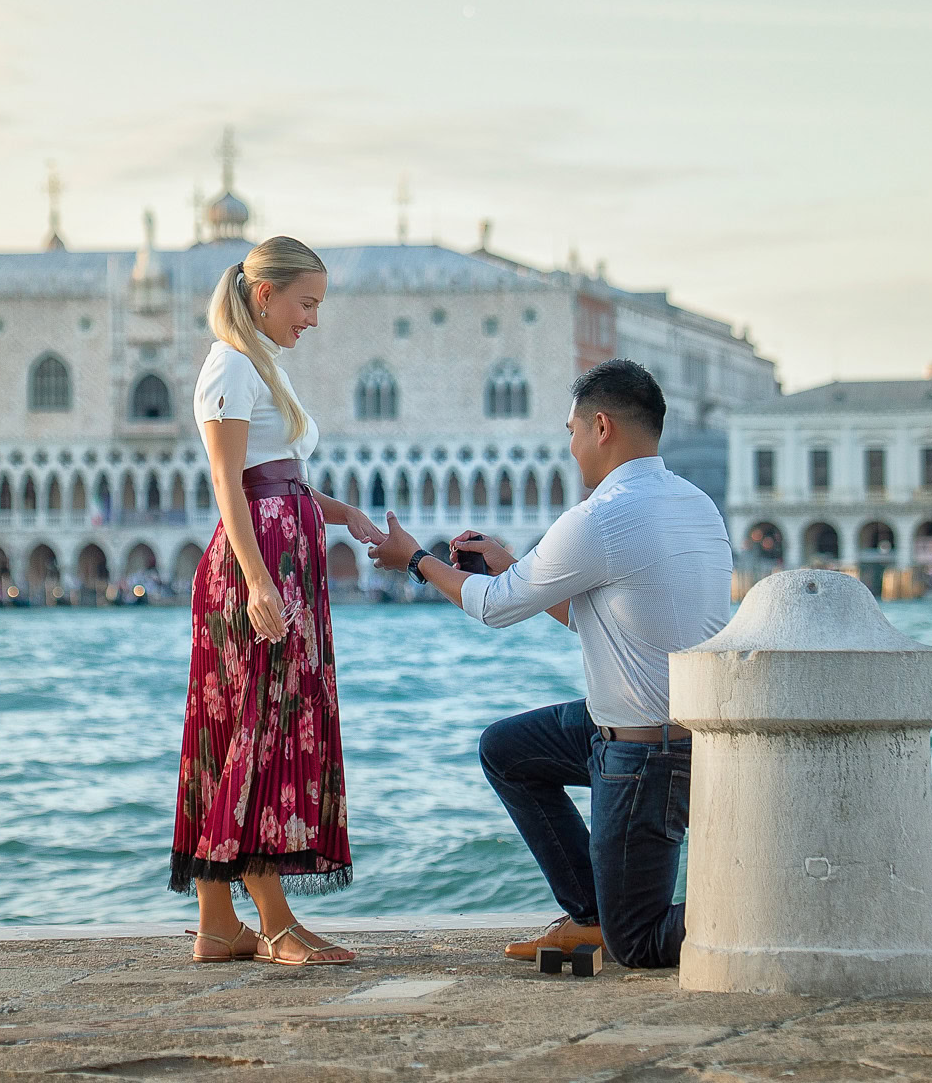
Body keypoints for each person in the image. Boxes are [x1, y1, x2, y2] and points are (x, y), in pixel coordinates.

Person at [366, 358, 731, 969]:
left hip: (644, 755)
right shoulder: (697, 506)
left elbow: (491, 608)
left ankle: (753, 909)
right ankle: (590, 916)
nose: (570, 446)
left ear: (602, 428)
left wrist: (416, 560)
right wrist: (515, 566)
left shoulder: (598, 518)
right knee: (507, 750)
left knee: (637, 945)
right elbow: (600, 617)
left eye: (572, 430)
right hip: (677, 733)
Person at [171, 236, 386, 968]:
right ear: (265, 295)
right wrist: (260, 581)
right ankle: (274, 925)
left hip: (280, 556)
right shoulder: (230, 364)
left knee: (232, 732)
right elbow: (230, 485)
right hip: (257, 569)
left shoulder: (259, 364)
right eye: (307, 303)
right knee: (258, 732)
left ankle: (218, 925)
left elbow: (280, 478)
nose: (313, 319)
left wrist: (341, 512)